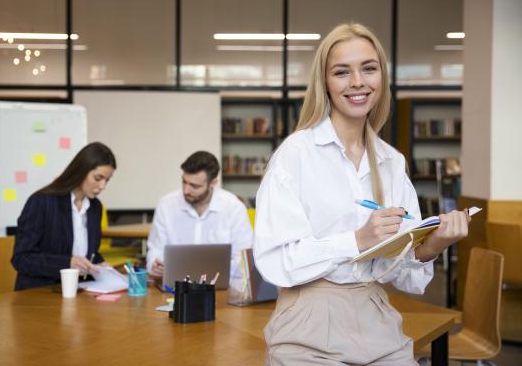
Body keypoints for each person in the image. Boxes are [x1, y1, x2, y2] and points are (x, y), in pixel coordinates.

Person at [254, 23, 470, 365]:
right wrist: (356, 240)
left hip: (377, 315)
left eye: (369, 68)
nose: (358, 81)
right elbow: (276, 261)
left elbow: (405, 275)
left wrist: (435, 244)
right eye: (342, 72)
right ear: (325, 82)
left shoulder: (391, 162)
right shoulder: (295, 155)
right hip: (307, 324)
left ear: (381, 77)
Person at [11, 142, 116, 290]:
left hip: (78, 293)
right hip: (40, 295)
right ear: (81, 170)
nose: (102, 186)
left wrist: (99, 266)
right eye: (98, 178)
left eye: (107, 180)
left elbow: (89, 254)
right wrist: (67, 264)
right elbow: (21, 258)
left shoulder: (95, 207)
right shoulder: (41, 202)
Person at [147, 150, 252, 280]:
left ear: (213, 183)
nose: (186, 190)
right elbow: (155, 250)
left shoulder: (234, 208)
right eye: (184, 182)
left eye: (194, 186)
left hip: (220, 289)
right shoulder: (166, 205)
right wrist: (154, 266)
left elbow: (243, 262)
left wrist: (208, 274)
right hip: (174, 288)